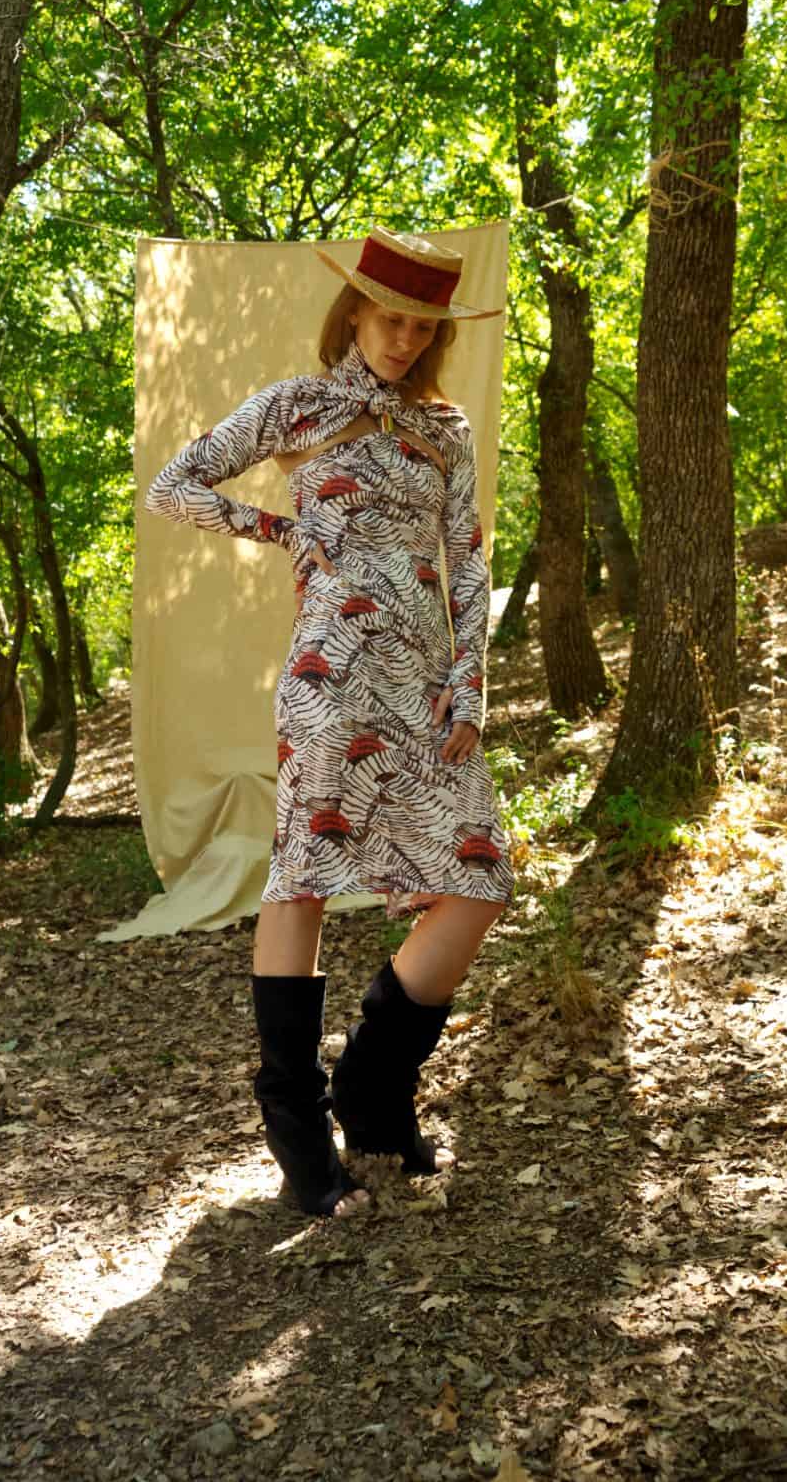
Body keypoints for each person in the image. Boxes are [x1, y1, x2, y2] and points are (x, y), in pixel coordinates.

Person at [146, 225, 514, 1219]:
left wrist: (470, 686)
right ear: (353, 308)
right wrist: (280, 530)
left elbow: (471, 563)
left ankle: (374, 1088)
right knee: (302, 875)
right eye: (387, 316)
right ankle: (299, 1128)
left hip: (426, 684)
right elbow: (172, 485)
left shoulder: (446, 428)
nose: (400, 338)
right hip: (328, 677)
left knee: (477, 878)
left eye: (419, 325)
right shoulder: (295, 406)